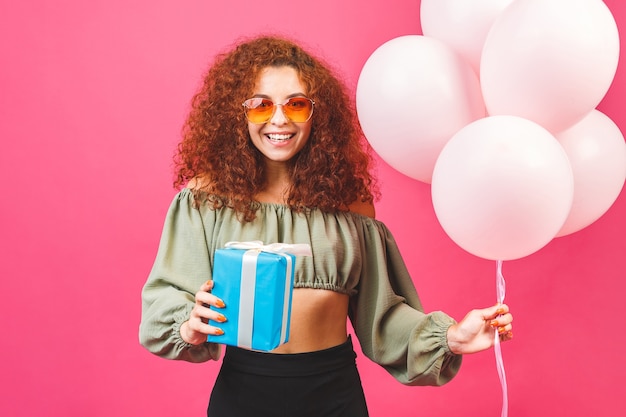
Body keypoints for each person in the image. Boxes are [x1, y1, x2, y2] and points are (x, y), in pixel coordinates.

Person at [139, 35, 513, 417]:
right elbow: (167, 300)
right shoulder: (207, 199)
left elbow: (382, 318)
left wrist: (451, 337)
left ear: (317, 114)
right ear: (239, 113)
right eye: (261, 105)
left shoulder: (350, 207)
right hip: (244, 392)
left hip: (334, 393)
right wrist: (188, 325)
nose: (279, 119)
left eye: (297, 105)